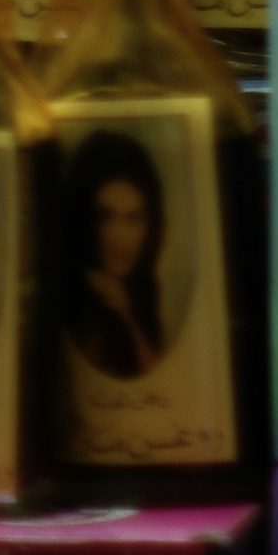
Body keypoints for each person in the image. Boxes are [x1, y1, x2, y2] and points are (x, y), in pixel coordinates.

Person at [62, 130, 169, 380]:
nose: (120, 238)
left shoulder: (140, 292)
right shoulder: (73, 297)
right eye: (105, 217)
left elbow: (157, 374)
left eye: (133, 218)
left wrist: (127, 315)